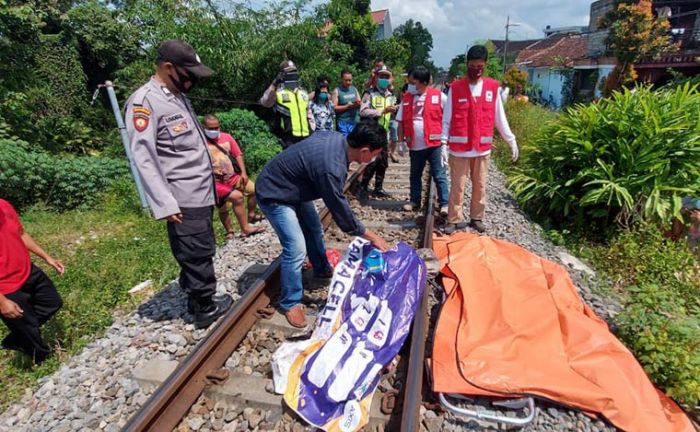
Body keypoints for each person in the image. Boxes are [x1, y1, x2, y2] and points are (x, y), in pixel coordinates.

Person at [125, 40, 232, 329]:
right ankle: (204, 306)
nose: (193, 79)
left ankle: (193, 291)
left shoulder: (176, 96)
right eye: (189, 72)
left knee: (203, 244)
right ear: (168, 67)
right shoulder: (144, 103)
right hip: (181, 196)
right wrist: (164, 202)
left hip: (200, 190)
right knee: (196, 251)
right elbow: (143, 158)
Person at [255, 119, 391, 328]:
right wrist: (372, 236)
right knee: (296, 247)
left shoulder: (337, 139)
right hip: (275, 193)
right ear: (364, 151)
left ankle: (320, 268)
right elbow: (340, 211)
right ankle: (290, 301)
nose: (376, 157)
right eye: (376, 153)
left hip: (295, 187)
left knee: (313, 227)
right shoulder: (331, 167)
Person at [442, 45, 519, 234]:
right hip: (459, 149)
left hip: (482, 148)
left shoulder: (492, 87)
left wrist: (511, 140)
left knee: (480, 186)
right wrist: (443, 143)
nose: (476, 69)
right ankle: (454, 218)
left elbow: (499, 118)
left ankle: (476, 217)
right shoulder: (456, 88)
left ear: (484, 65)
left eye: (480, 66)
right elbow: (447, 119)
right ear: (467, 64)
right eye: (473, 65)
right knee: (457, 186)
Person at [0, 199, 63, 364]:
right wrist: (2, 301)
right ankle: (45, 364)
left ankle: (17, 337)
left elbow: (20, 233)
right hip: (5, 287)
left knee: (53, 302)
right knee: (30, 334)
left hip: (27, 270)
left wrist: (47, 257)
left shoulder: (4, 205)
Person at [396, 66, 450, 215]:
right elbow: (400, 121)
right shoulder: (407, 98)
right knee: (415, 174)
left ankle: (445, 203)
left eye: (414, 82)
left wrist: (446, 142)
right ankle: (414, 200)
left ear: (424, 82)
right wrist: (400, 142)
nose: (410, 85)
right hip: (415, 144)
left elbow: (448, 119)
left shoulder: (440, 97)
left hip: (435, 145)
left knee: (439, 174)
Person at [202, 114, 265, 240]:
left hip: (232, 176)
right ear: (204, 127)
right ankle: (230, 231)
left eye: (216, 128)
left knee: (254, 190)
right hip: (215, 182)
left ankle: (251, 215)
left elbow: (238, 155)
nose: (214, 131)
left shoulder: (226, 137)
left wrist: (243, 172)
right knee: (223, 208)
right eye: (211, 128)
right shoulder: (200, 141)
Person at [358, 65, 397, 201]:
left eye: (387, 77)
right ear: (376, 77)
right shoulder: (370, 93)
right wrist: (381, 112)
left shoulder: (391, 96)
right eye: (382, 76)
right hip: (372, 133)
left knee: (383, 162)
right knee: (372, 162)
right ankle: (362, 187)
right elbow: (362, 111)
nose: (384, 79)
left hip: (384, 133)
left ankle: (378, 188)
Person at [260, 60, 310, 148]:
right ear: (282, 74)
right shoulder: (278, 92)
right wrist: (274, 83)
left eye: (294, 71)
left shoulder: (302, 92)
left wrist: (312, 130)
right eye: (289, 72)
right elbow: (265, 102)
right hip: (287, 138)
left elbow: (308, 113)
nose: (292, 74)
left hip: (305, 137)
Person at [332, 69, 361, 137]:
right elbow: (334, 107)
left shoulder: (354, 89)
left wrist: (357, 103)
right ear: (341, 79)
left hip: (355, 121)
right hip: (342, 122)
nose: (348, 82)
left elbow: (360, 102)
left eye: (350, 80)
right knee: (344, 143)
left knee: (354, 143)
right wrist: (346, 106)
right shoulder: (337, 91)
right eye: (346, 80)